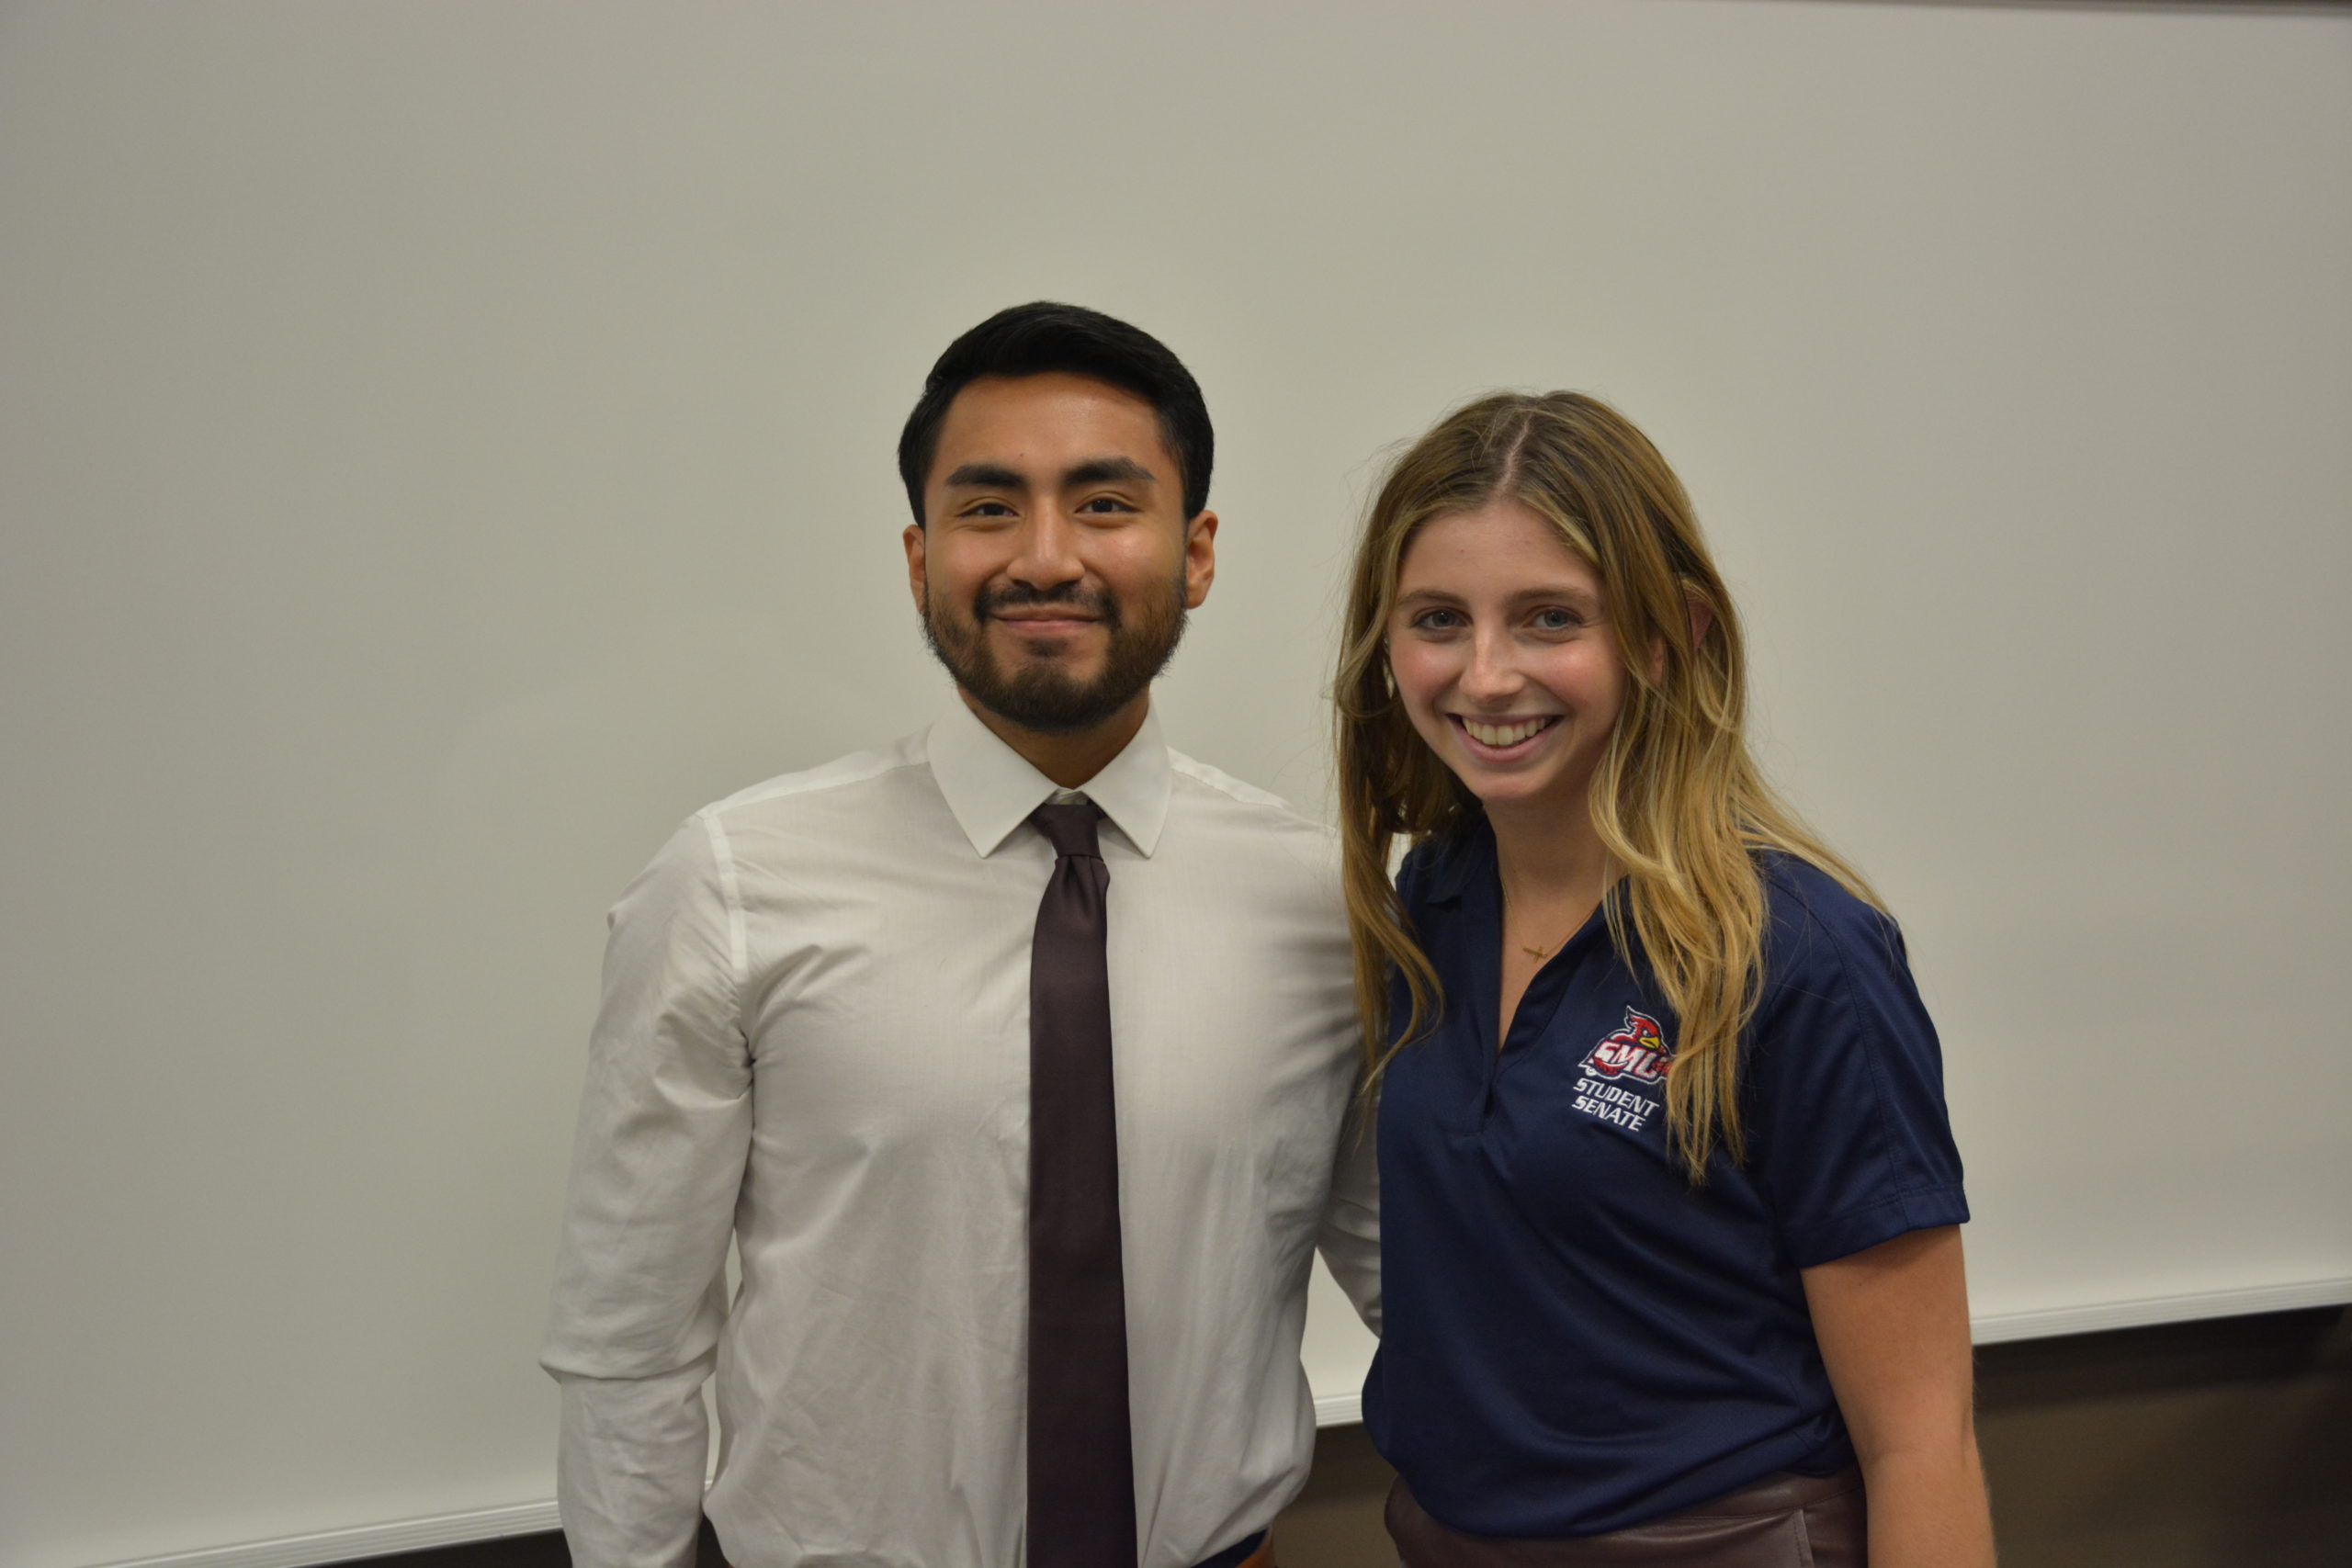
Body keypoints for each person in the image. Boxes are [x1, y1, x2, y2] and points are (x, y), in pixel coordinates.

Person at [542, 302, 1378, 1568]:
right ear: (919, 555)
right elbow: (631, 1338)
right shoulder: (732, 880)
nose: (1046, 555)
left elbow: (1419, 1283)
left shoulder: (1322, 906)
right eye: (989, 507)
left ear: (1196, 551)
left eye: (1105, 502)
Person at [1332, 391, 1994, 1565]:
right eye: (1438, 618)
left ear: (1665, 634)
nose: (1485, 677)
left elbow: (1921, 1441)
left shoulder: (1796, 953)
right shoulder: (1426, 906)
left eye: (1548, 620)